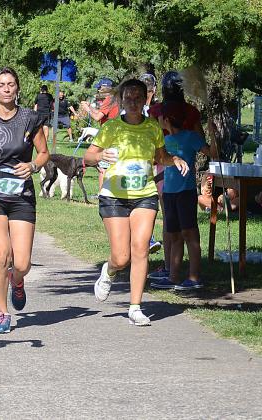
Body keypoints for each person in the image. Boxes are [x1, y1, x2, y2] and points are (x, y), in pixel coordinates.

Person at [83, 79, 189, 325]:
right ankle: (108, 272)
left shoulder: (152, 127)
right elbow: (88, 156)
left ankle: (135, 307)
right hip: (114, 197)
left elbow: (159, 156)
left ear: (145, 100)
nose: (133, 103)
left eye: (138, 98)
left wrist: (175, 160)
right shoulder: (111, 128)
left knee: (141, 248)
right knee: (121, 258)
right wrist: (100, 155)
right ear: (121, 100)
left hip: (145, 194)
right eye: (128, 98)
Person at [0, 67, 50, 333]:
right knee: (1, 255)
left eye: (11, 84)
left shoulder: (29, 118)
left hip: (22, 195)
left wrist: (34, 166)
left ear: (17, 88)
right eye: (1, 84)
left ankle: (17, 281)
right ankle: (2, 312)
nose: (6, 88)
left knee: (22, 263)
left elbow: (44, 153)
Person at [147, 71, 208, 283]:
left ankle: (170, 268)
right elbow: (201, 139)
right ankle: (172, 271)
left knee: (172, 224)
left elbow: (149, 137)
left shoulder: (157, 111)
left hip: (167, 166)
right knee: (179, 225)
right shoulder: (190, 112)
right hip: (176, 165)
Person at [80, 79, 121, 193]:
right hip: (116, 134)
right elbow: (101, 114)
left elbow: (97, 117)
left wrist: (87, 108)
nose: (98, 90)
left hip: (108, 135)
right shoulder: (116, 98)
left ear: (105, 88)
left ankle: (102, 193)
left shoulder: (110, 99)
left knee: (103, 167)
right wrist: (91, 108)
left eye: (99, 88)